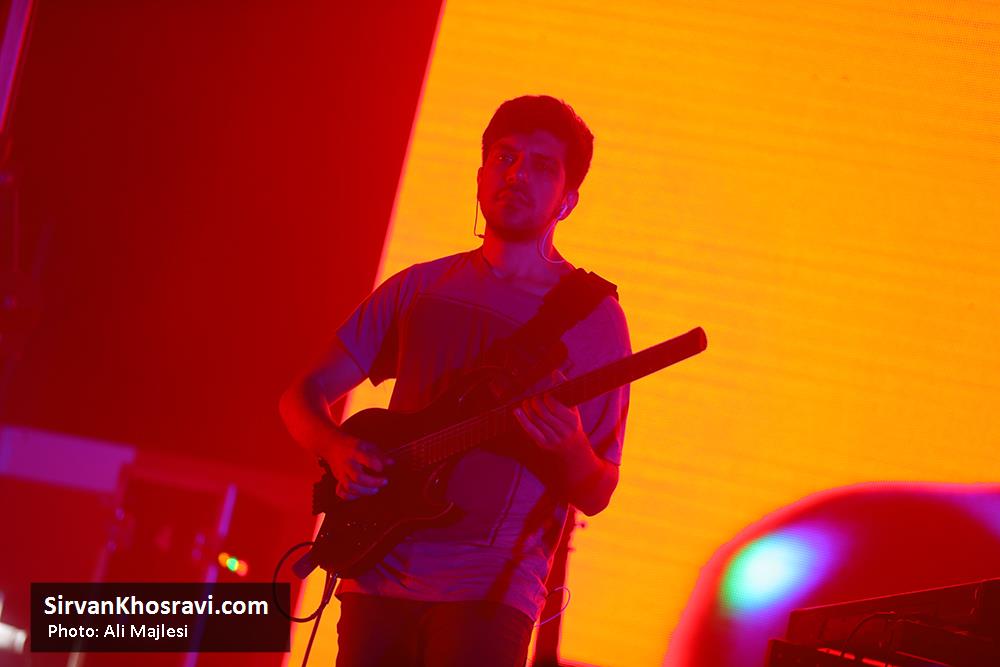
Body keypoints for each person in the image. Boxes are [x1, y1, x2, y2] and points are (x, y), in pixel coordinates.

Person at [280, 95, 631, 667]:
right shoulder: (419, 289)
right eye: (505, 158)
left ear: (568, 201)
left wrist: (568, 445)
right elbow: (300, 396)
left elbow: (598, 490)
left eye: (542, 166)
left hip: (491, 594)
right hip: (376, 577)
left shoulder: (593, 318)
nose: (517, 174)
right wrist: (337, 448)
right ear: (480, 175)